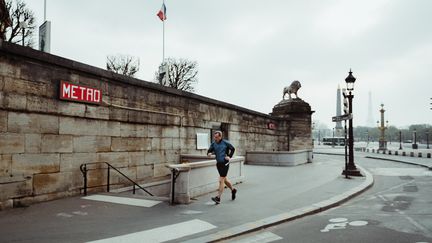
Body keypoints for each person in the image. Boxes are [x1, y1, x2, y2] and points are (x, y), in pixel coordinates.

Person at [207, 130, 237, 204]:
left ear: (220, 137)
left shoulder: (225, 143)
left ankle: (218, 198)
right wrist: (209, 153)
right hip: (219, 164)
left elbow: (233, 149)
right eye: (214, 137)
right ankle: (233, 190)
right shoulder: (213, 144)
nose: (215, 138)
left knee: (221, 180)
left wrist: (229, 156)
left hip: (225, 163)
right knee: (225, 180)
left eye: (216, 137)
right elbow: (209, 151)